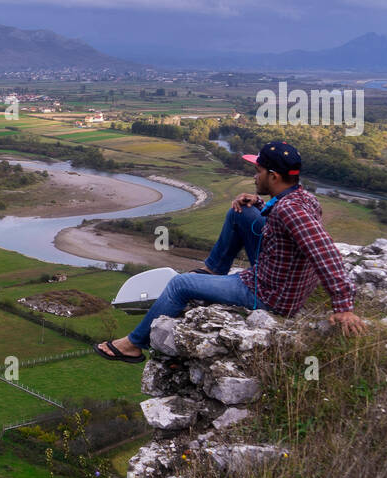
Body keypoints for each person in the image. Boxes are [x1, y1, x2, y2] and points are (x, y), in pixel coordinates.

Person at [95, 140, 369, 362]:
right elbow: (288, 231)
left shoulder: (290, 210)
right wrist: (260, 204)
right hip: (280, 274)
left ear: (273, 176)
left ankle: (133, 343)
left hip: (269, 294)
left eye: (258, 170)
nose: (254, 175)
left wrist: (343, 306)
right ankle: (213, 269)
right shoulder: (301, 197)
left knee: (180, 284)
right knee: (241, 211)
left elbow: (324, 251)